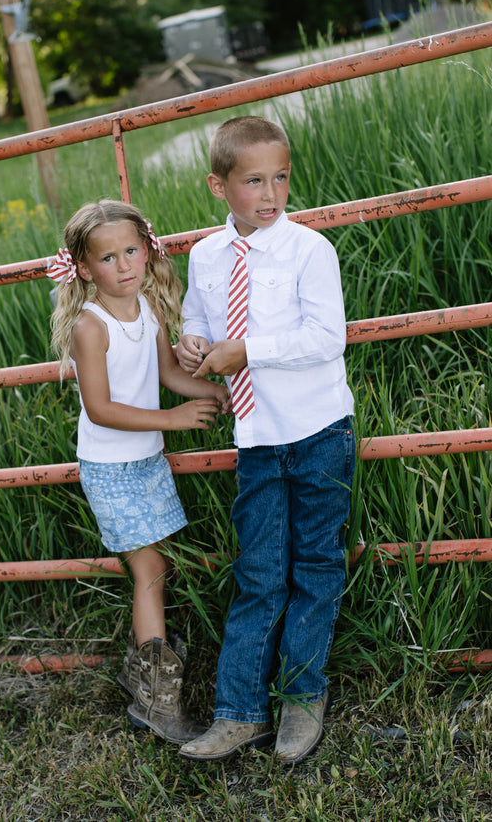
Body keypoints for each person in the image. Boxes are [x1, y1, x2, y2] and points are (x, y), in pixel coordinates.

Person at [176, 116, 356, 763]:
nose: (271, 192)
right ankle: (239, 712)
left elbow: (325, 338)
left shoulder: (311, 251)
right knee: (257, 573)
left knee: (314, 566)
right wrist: (192, 341)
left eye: (280, 176)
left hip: (317, 432)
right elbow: (198, 318)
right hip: (255, 438)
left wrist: (245, 351)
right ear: (219, 186)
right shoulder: (204, 256)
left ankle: (303, 700)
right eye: (254, 180)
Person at [48, 199, 230, 744]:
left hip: (145, 460)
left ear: (147, 250)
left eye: (132, 251)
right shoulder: (91, 325)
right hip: (110, 466)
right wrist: (171, 419)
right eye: (108, 257)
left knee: (157, 567)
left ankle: (144, 670)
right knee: (148, 572)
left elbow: (171, 373)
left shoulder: (147, 308)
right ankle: (156, 698)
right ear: (84, 268)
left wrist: (222, 393)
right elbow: (100, 408)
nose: (124, 265)